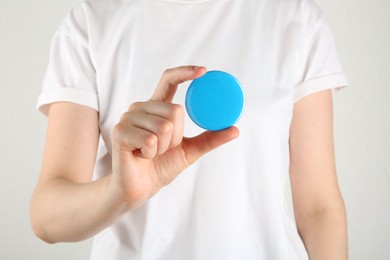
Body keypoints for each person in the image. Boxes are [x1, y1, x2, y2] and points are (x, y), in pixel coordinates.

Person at [30, 0, 348, 259]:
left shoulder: (297, 20)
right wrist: (120, 193)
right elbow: (46, 217)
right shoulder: (90, 23)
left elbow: (319, 209)